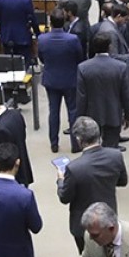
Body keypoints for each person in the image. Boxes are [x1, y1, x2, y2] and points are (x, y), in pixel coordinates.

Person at [57, 117, 128, 252]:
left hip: (83, 226)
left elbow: (64, 197)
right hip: (108, 220)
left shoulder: (74, 168)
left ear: (79, 140)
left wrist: (60, 180)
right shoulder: (116, 156)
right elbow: (122, 181)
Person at [37, 9, 85, 153]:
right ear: (64, 21)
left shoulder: (42, 39)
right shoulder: (72, 39)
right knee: (73, 112)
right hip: (70, 79)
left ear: (50, 22)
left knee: (53, 111)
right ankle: (75, 144)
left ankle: (54, 143)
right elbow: (80, 58)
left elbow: (41, 58)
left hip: (51, 79)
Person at [77, 32, 129, 148]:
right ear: (109, 47)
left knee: (92, 149)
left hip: (92, 115)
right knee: (111, 149)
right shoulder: (120, 67)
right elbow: (126, 94)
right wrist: (127, 115)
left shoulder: (83, 68)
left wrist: (80, 118)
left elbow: (81, 97)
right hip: (113, 114)